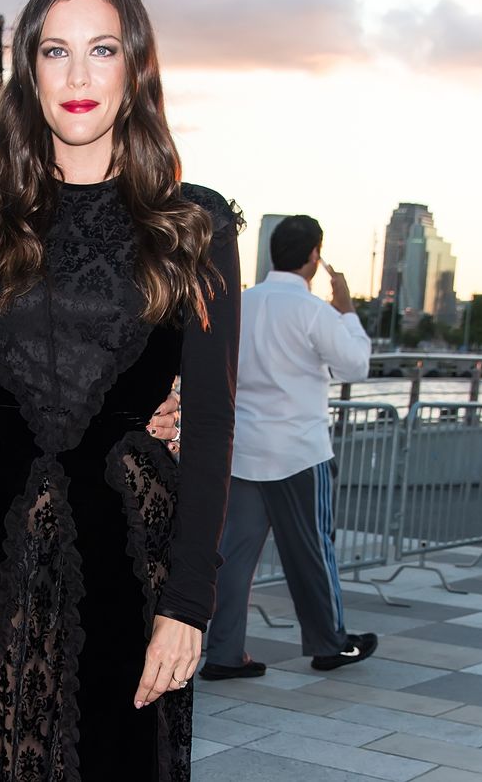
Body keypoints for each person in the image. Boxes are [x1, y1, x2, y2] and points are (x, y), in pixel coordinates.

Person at [0, 0, 241, 782]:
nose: (76, 76)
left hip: (129, 559)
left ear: (134, 67)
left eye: (101, 50)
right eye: (54, 51)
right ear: (28, 72)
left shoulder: (195, 223)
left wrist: (189, 604)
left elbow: (209, 423)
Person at [202, 215, 377, 680]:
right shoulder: (314, 311)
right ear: (314, 257)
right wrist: (348, 310)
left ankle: (222, 653)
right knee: (313, 552)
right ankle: (330, 644)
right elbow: (356, 366)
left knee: (233, 557)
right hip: (300, 452)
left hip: (244, 450)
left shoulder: (242, 304)